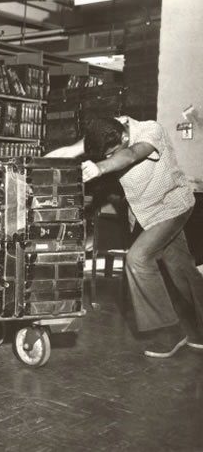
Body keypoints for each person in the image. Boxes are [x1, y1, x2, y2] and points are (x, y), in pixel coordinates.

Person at [46, 115, 203, 358]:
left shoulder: (150, 131)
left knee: (138, 259)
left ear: (125, 137)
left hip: (173, 206)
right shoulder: (107, 131)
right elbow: (68, 151)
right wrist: (29, 167)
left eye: (110, 154)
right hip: (148, 214)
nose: (108, 158)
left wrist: (100, 167)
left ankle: (168, 332)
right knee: (182, 269)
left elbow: (130, 156)